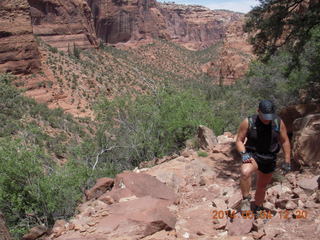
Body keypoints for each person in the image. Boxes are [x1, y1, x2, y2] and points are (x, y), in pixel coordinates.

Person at [236, 100, 291, 213]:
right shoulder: (249, 122)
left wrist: (287, 160)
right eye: (264, 116)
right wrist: (244, 154)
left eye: (269, 116)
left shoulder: (277, 122)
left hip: (269, 157)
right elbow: (239, 140)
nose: (267, 119)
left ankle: (257, 207)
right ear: (258, 111)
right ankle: (246, 201)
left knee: (261, 186)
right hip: (253, 155)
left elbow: (285, 141)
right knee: (245, 172)